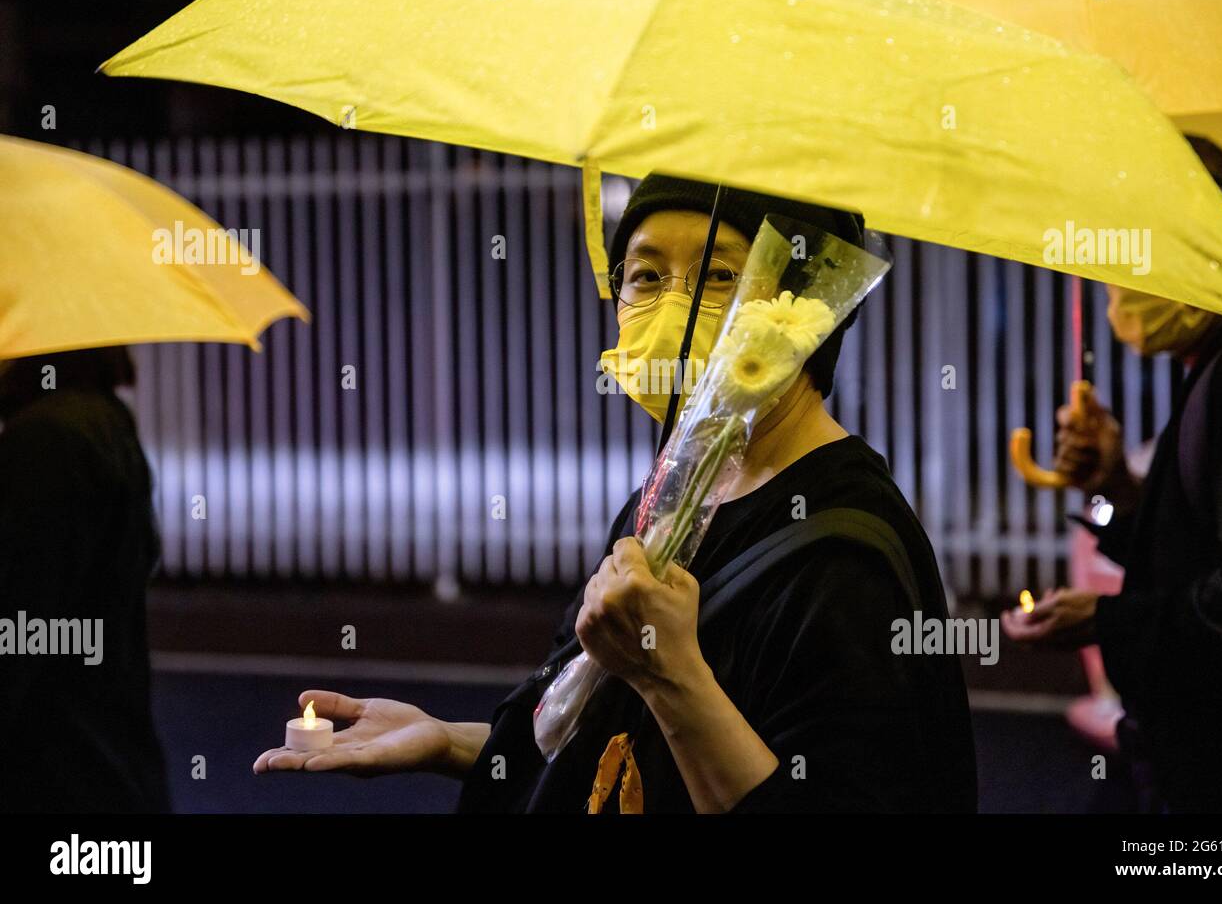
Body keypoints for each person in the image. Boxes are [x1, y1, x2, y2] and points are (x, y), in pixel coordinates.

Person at [255, 173, 978, 813]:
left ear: (801, 311)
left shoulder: (845, 555)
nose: (671, 310)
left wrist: (672, 673)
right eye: (644, 275)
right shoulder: (669, 501)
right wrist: (449, 741)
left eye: (718, 276)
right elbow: (613, 735)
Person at [1002, 139, 1222, 812]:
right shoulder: (1217, 370)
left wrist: (1109, 617)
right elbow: (1199, 556)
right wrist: (1116, 487)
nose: (1118, 284)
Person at [0, 347, 171, 812]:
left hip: (56, 773)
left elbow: (20, 624)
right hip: (109, 761)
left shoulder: (44, 443)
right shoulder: (102, 418)